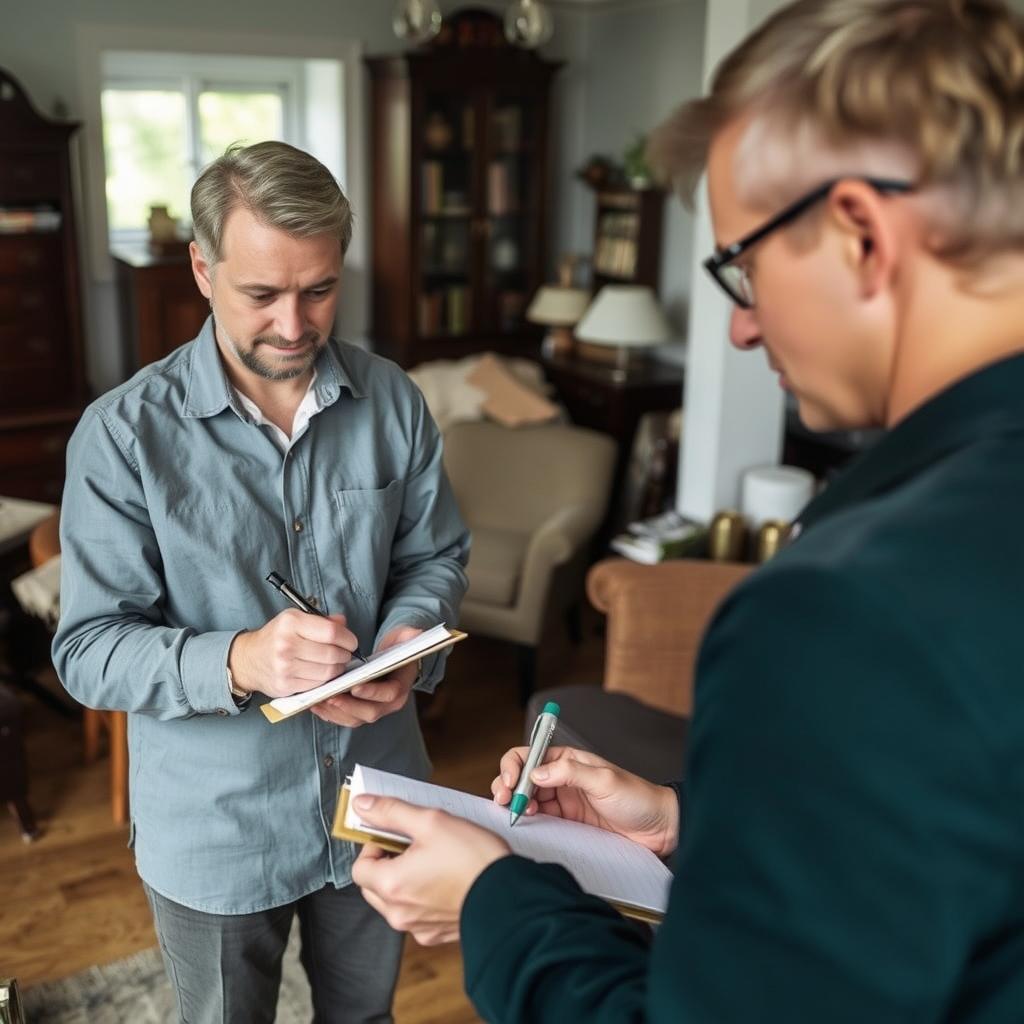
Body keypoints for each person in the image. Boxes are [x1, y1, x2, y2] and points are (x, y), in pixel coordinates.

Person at [350, 0, 1024, 1019]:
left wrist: (493, 895)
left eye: (742, 267)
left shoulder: (851, 607)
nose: (743, 328)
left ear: (858, 234)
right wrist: (685, 814)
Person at [53, 141, 469, 1023]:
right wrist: (240, 659)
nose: (293, 323)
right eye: (262, 294)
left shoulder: (394, 400)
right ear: (202, 269)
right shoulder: (121, 436)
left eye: (318, 289)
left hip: (377, 800)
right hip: (216, 831)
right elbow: (88, 651)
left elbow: (432, 558)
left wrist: (407, 640)